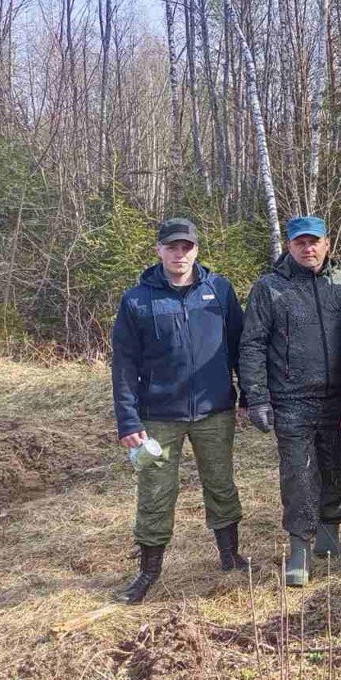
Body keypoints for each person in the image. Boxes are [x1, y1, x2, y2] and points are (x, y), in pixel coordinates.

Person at [111, 218, 247, 603]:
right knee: (155, 492)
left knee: (221, 483)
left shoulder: (219, 290)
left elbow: (240, 347)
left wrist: (249, 395)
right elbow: (123, 364)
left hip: (214, 410)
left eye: (186, 247)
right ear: (158, 250)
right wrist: (128, 418)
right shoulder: (137, 299)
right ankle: (148, 572)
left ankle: (230, 556)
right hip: (157, 416)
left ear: (196, 250)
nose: (179, 254)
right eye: (172, 247)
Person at [238, 216, 341, 587]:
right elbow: (253, 344)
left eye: (314, 242)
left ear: (327, 244)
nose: (308, 249)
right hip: (290, 398)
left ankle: (330, 538)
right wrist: (257, 397)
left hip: (338, 398)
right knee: (298, 473)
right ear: (289, 246)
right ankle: (299, 548)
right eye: (300, 243)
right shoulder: (270, 288)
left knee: (335, 466)